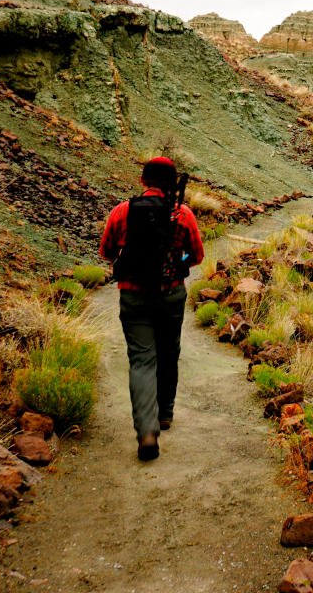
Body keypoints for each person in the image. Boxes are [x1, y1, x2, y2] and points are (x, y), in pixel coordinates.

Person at [99, 156, 203, 461]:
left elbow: (106, 251)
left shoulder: (122, 211)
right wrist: (178, 264)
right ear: (172, 183)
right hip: (170, 295)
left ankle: (146, 431)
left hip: (133, 295)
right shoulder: (183, 214)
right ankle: (165, 413)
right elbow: (197, 255)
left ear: (143, 180)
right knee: (168, 352)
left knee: (142, 361)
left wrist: (129, 261)